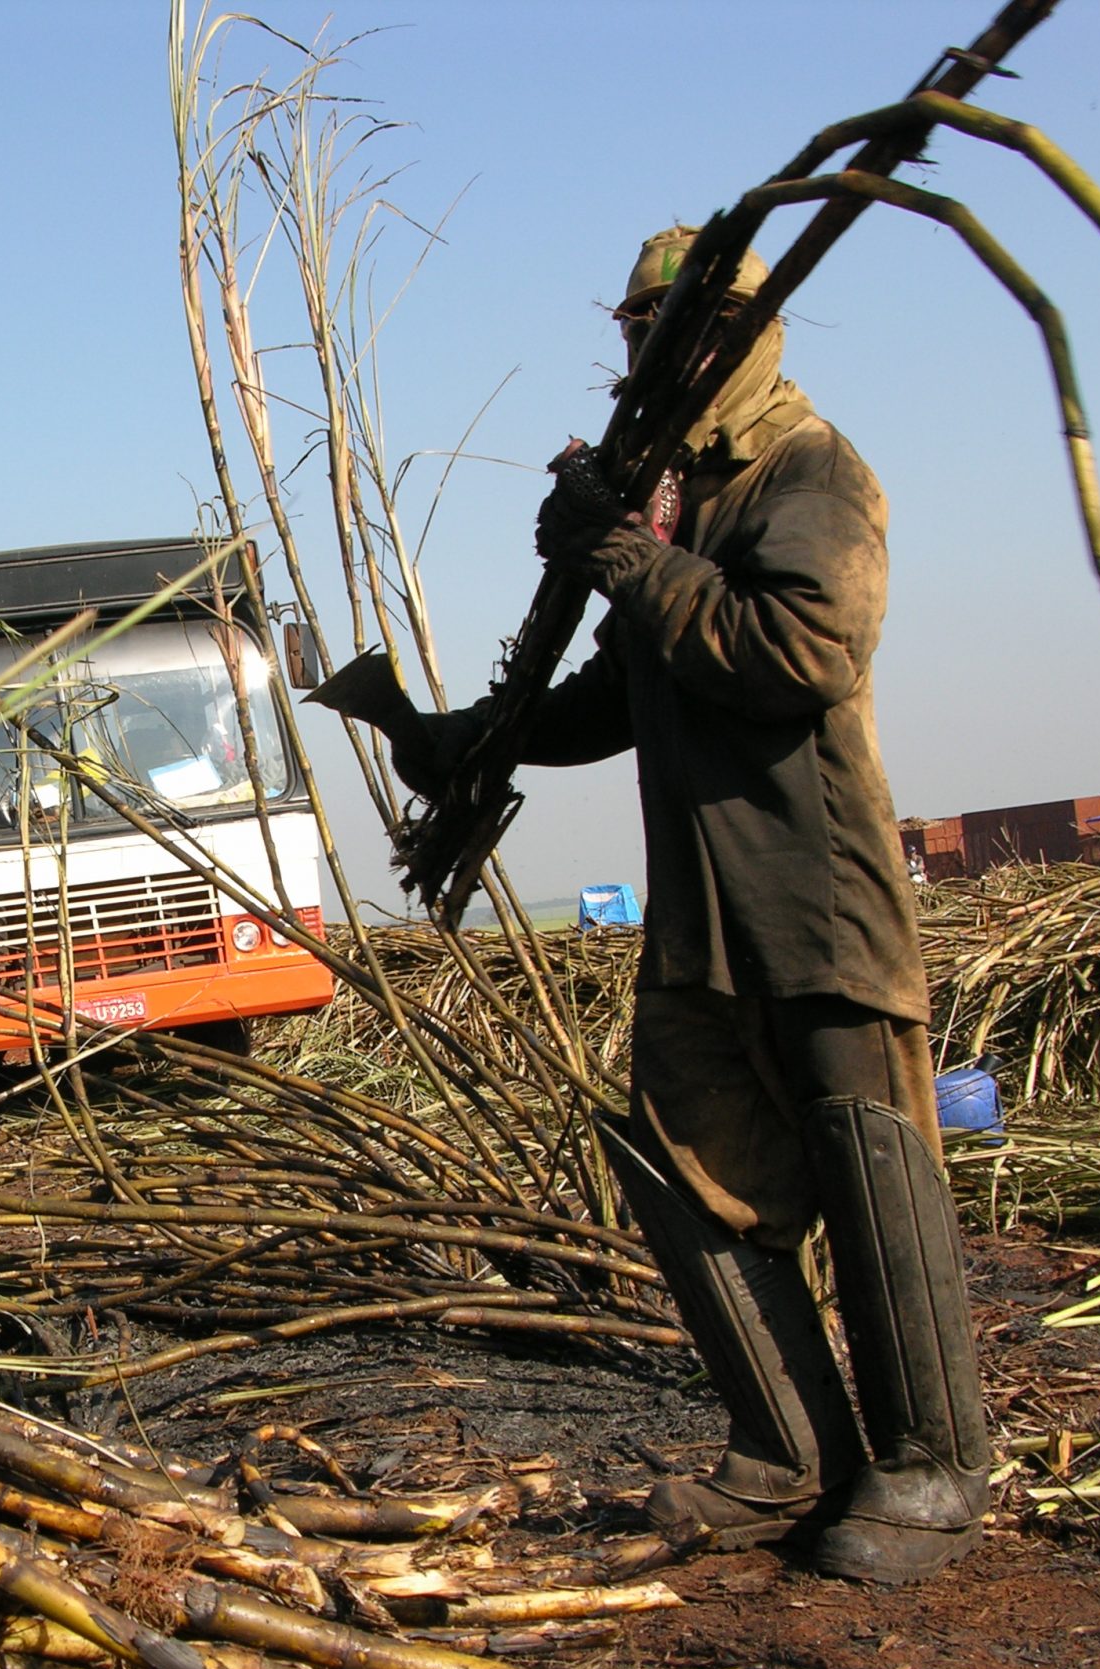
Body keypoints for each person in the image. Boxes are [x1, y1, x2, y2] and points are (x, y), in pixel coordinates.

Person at [394, 226, 990, 1585]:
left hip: (813, 893)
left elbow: (799, 652)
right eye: (644, 328)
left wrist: (623, 557)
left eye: (692, 325)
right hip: (699, 911)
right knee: (683, 1164)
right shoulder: (673, 495)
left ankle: (934, 1467)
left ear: (751, 329)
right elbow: (629, 687)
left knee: (869, 1161)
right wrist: (478, 736)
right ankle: (786, 1453)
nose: (663, 351)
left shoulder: (809, 468)